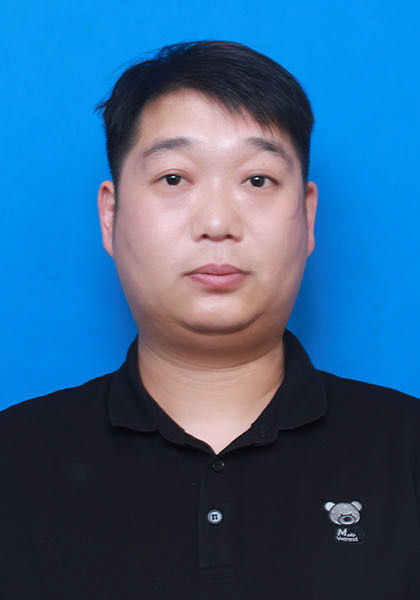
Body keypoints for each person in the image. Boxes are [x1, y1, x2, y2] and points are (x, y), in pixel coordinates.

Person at [1, 40, 419, 600]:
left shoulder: (405, 452)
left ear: (307, 214)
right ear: (110, 214)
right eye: (174, 178)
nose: (218, 222)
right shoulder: (14, 459)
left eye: (257, 180)